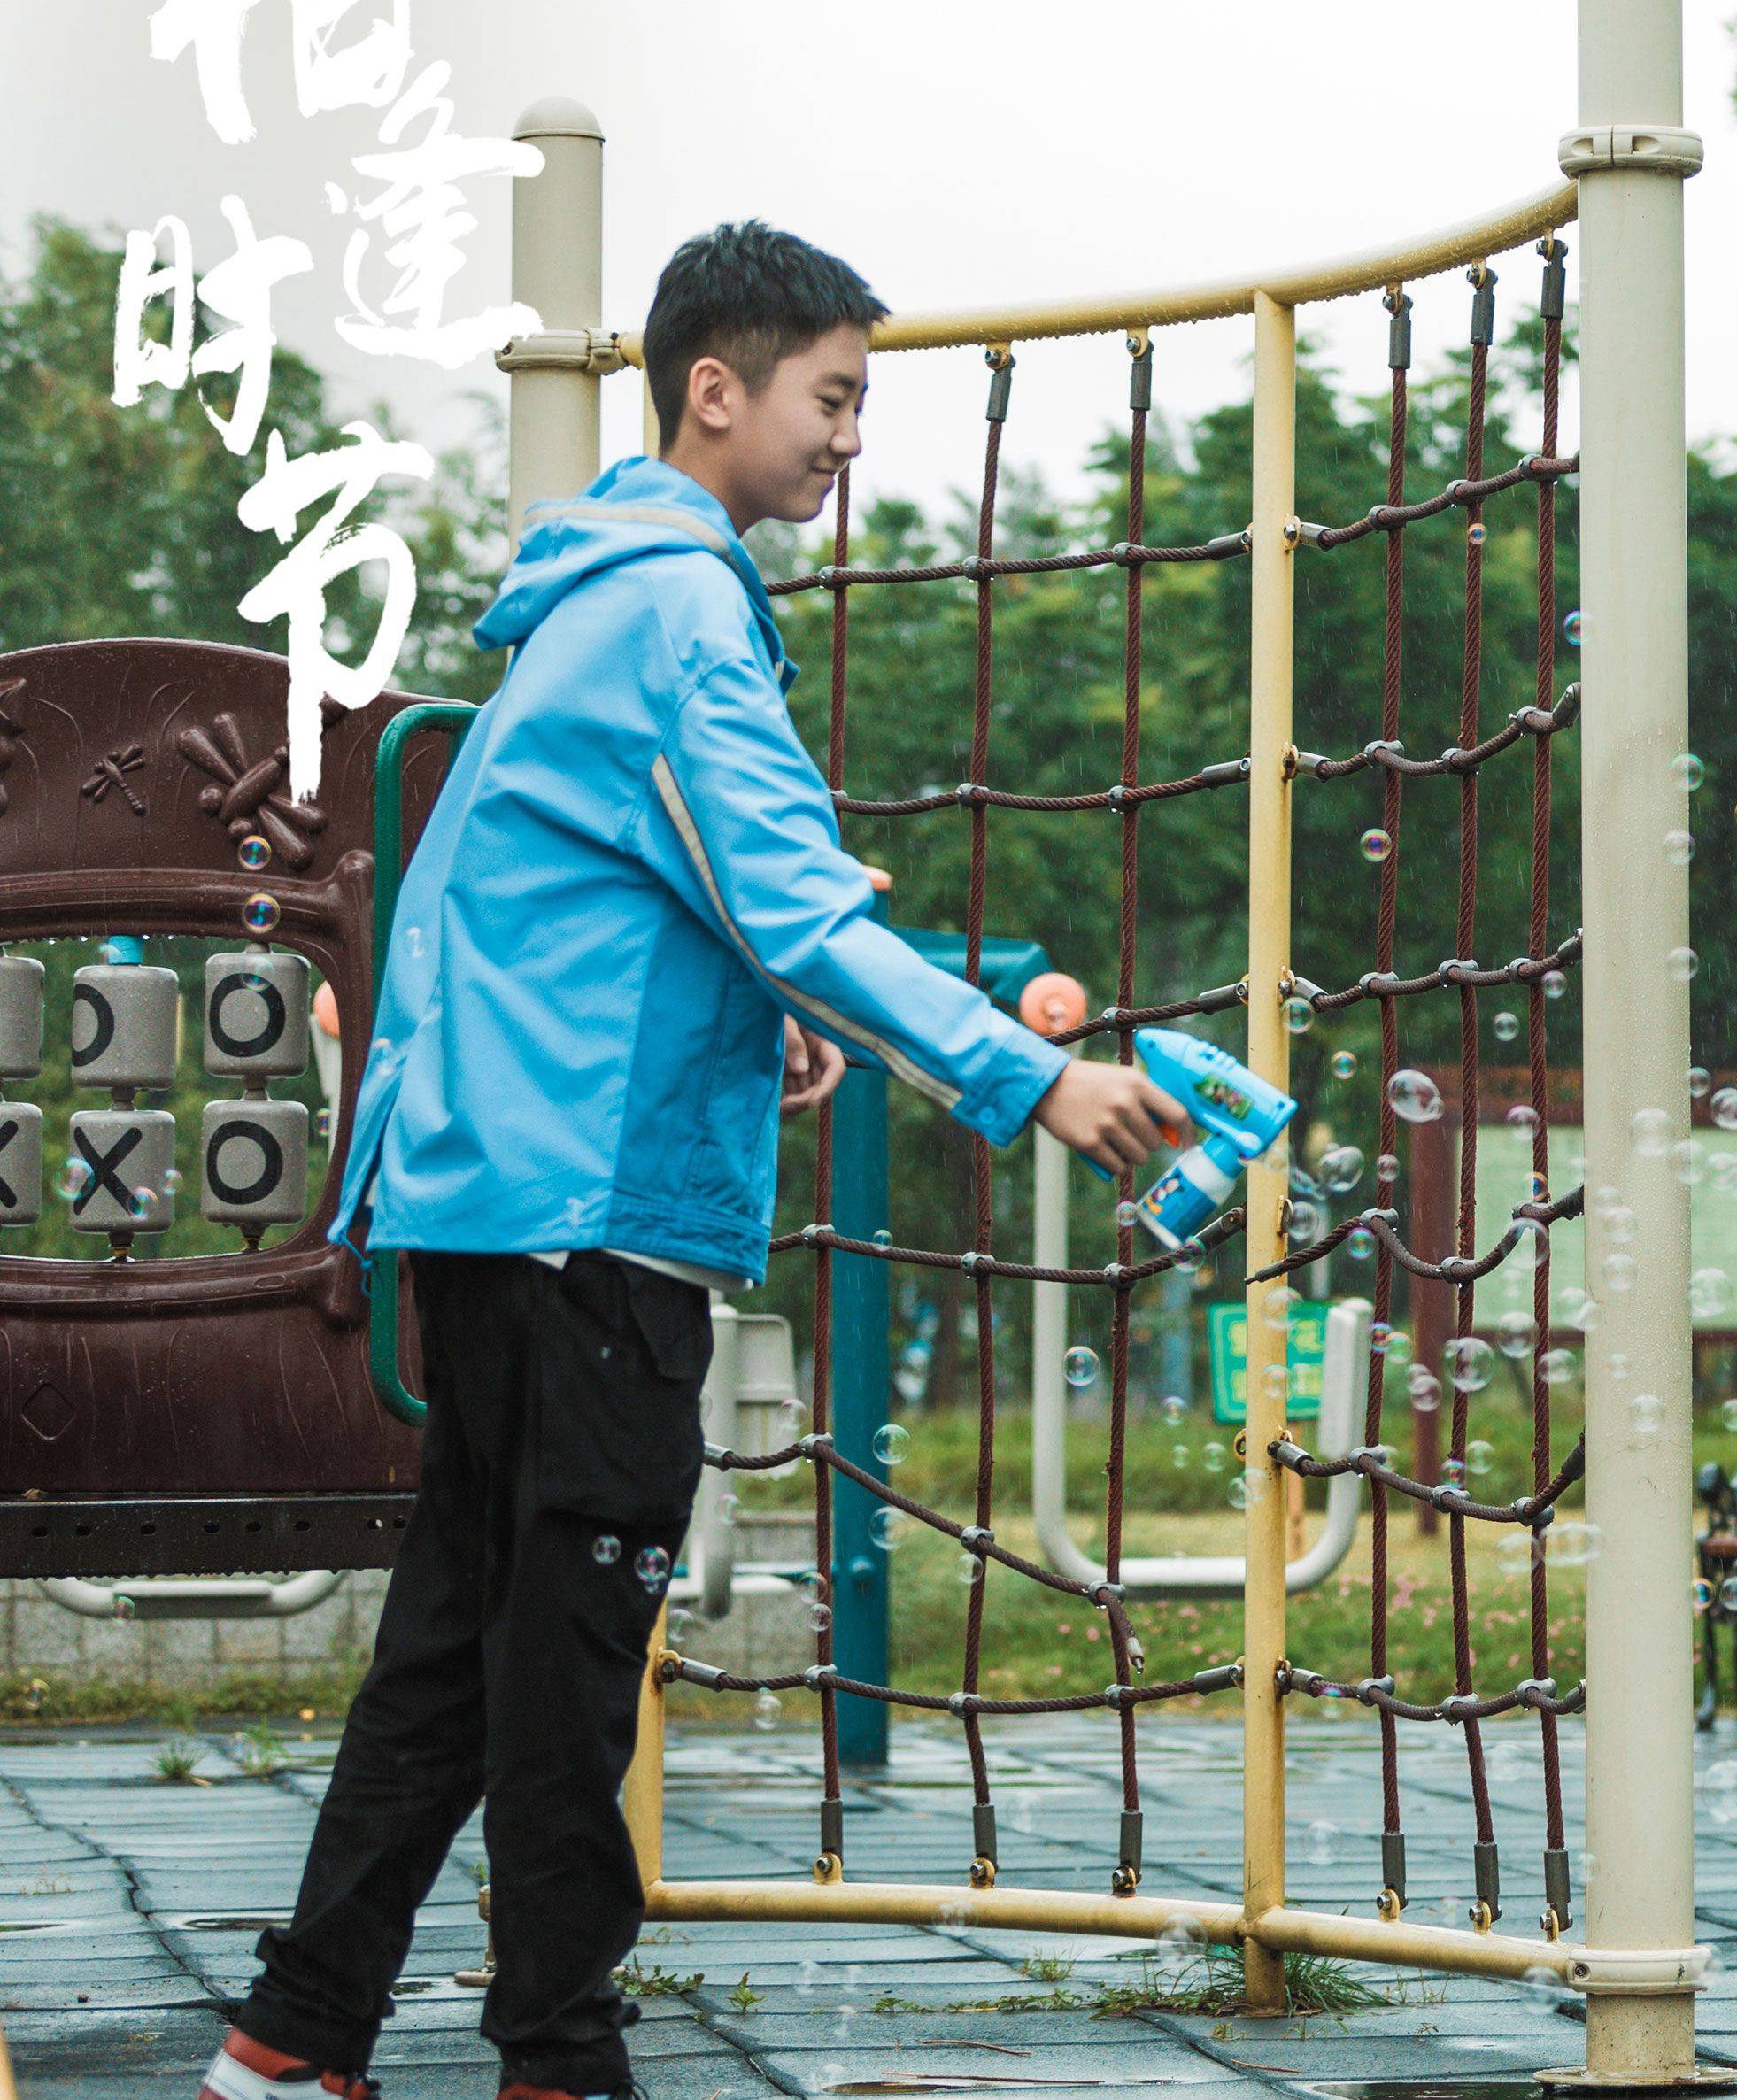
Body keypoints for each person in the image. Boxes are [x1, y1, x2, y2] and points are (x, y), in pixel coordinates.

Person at [210, 224, 1182, 2100]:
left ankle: (289, 2041)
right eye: (831, 401)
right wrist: (1025, 1084)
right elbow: (796, 898)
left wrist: (758, 1020)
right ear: (712, 390)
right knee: (566, 1670)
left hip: (496, 1199)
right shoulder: (680, 614)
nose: (846, 445)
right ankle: (560, 2063)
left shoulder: (583, 607)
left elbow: (599, 908)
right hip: (593, 1228)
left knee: (457, 1645)